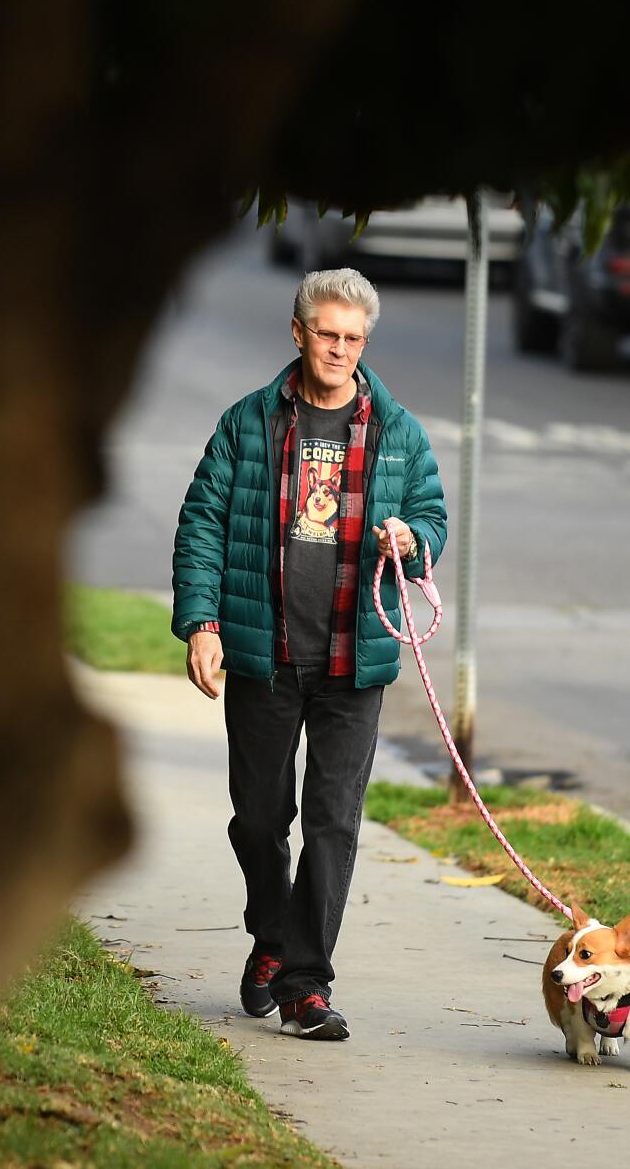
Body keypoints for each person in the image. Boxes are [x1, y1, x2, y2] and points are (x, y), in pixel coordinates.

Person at [171, 267, 447, 1041]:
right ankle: (271, 933)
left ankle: (305, 984)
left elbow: (431, 514)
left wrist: (413, 538)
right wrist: (202, 622)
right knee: (260, 820)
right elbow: (201, 523)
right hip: (265, 652)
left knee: (334, 823)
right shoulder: (247, 424)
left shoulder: (397, 431)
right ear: (298, 333)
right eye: (327, 333)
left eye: (353, 338)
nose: (339, 348)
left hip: (354, 660)